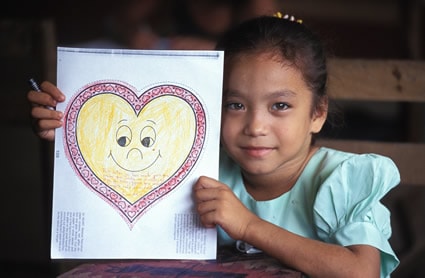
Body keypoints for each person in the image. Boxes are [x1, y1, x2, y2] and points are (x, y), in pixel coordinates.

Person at [27, 13, 400, 277]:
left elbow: (360, 272)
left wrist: (249, 226)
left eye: (280, 106)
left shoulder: (341, 181)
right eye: (234, 105)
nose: (255, 126)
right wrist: (70, 127)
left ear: (317, 113)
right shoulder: (200, 164)